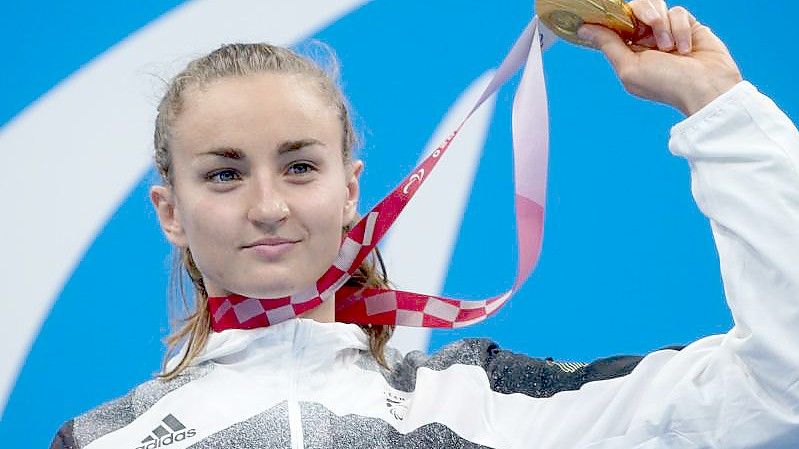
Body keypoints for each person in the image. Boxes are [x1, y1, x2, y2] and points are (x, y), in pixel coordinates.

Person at [50, 1, 799, 447]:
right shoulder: (104, 437)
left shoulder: (497, 405)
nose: (268, 205)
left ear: (350, 191)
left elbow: (780, 386)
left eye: (300, 166)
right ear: (170, 211)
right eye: (224, 173)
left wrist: (718, 107)